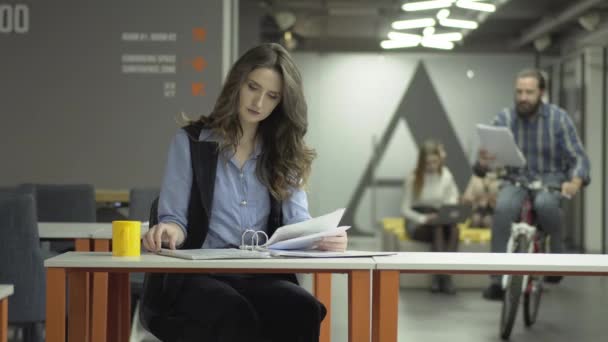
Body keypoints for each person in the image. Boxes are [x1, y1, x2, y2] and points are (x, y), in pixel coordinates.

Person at [141, 43, 348, 342]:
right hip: (199, 277)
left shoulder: (284, 152)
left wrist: (323, 238)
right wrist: (169, 231)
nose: (259, 102)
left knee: (302, 308)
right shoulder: (191, 142)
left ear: (281, 102)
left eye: (272, 96)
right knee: (235, 313)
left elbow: (298, 225)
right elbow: (175, 219)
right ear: (237, 82)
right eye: (253, 87)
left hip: (260, 275)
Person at [474, 69, 590, 300]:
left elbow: (578, 156)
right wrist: (483, 161)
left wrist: (575, 181)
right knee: (503, 209)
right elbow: (481, 164)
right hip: (515, 179)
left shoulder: (558, 118)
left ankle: (555, 261)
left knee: (547, 206)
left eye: (529, 92)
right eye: (519, 92)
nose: (523, 97)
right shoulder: (504, 119)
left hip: (550, 178)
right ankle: (498, 279)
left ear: (541, 93)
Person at [401, 140, 460, 294]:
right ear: (421, 162)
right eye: (428, 163)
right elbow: (405, 209)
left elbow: (453, 198)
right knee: (437, 226)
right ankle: (444, 278)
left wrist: (446, 210)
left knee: (453, 229)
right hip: (417, 220)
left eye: (435, 161)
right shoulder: (413, 178)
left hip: (438, 216)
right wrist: (424, 219)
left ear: (439, 160)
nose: (432, 166)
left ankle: (441, 277)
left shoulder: (446, 175)